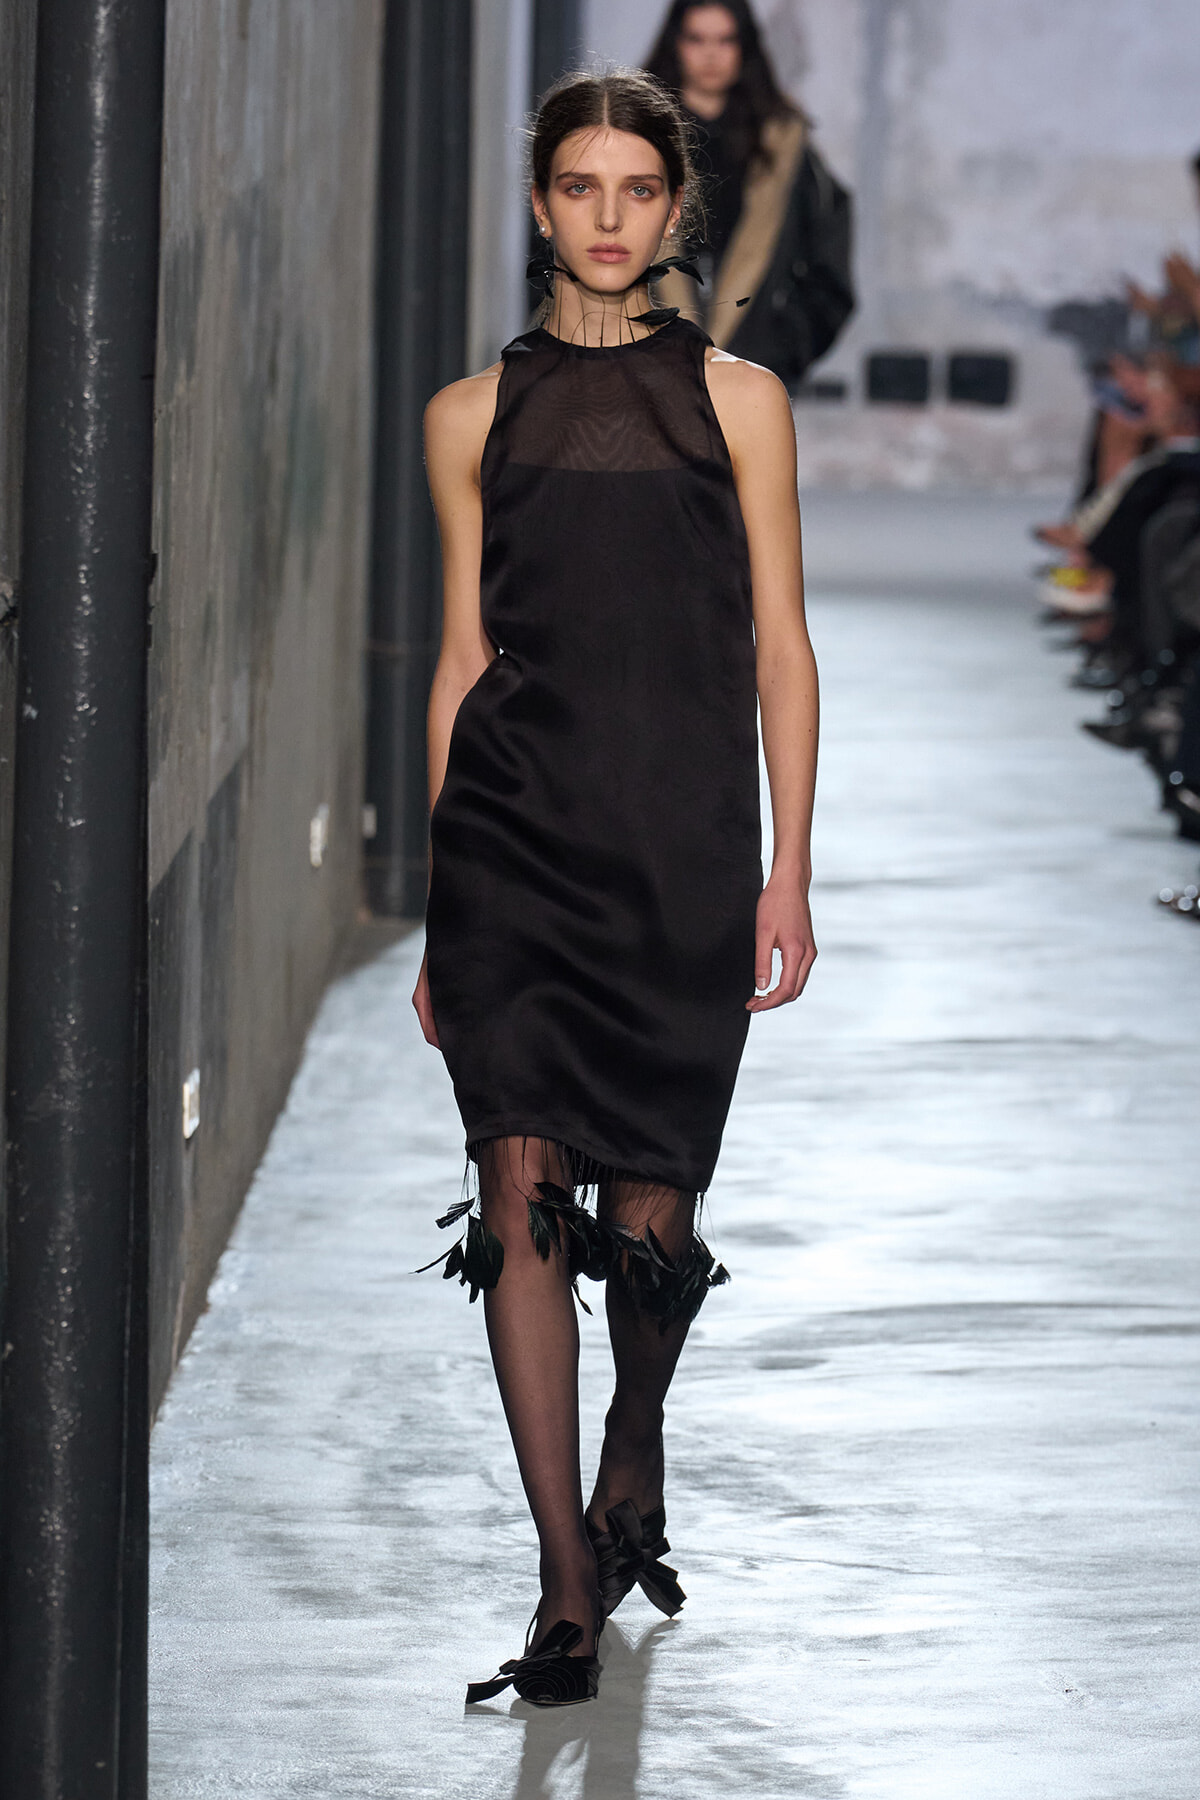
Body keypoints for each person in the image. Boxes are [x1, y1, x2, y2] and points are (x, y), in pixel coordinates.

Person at [411, 70, 819, 1708]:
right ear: (537, 205)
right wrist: (445, 886)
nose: (602, 215)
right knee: (520, 1200)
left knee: (649, 1218)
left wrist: (789, 867)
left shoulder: (740, 403)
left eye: (632, 189)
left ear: (671, 210)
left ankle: (633, 1445)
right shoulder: (466, 415)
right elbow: (458, 658)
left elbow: (778, 645)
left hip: (681, 840)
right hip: (515, 839)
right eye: (574, 185)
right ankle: (563, 1586)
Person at [645, 1, 854, 388]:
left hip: (749, 372)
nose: (710, 54)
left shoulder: (781, 146)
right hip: (641, 376)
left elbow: (830, 266)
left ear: (745, 48)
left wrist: (784, 347)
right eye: (697, 39)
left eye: (726, 40)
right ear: (676, 44)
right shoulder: (631, 138)